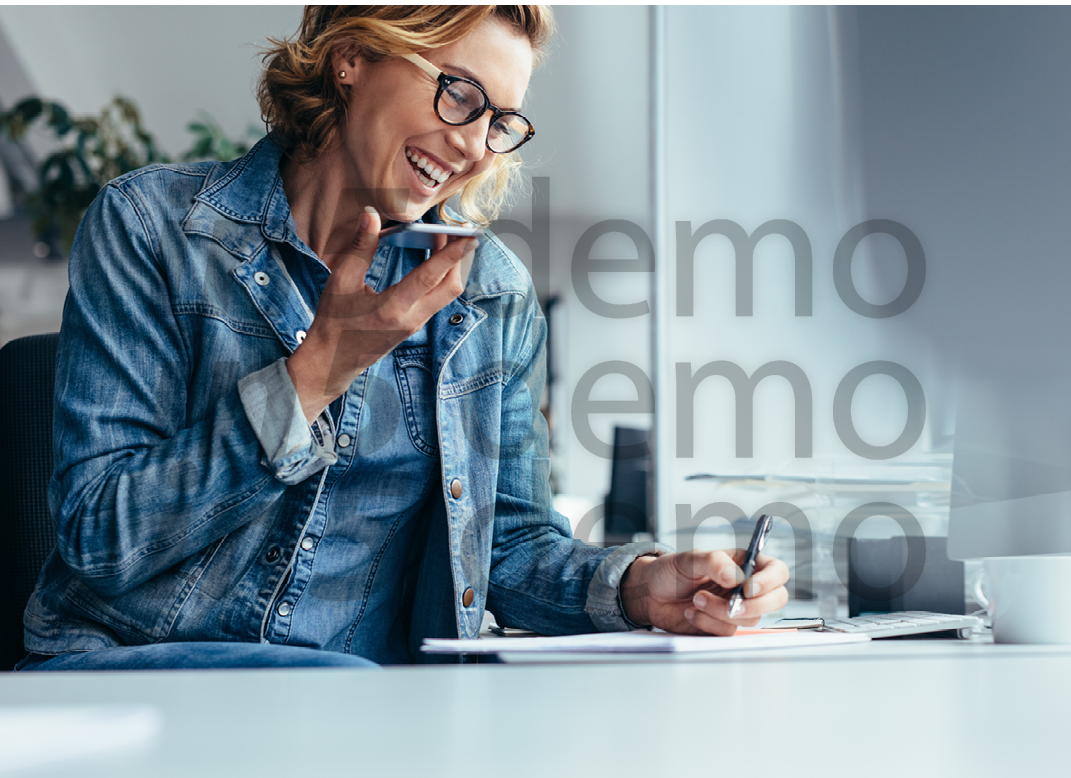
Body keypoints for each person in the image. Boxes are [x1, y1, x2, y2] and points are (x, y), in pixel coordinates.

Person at [17, 5, 788, 672]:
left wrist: (639, 588)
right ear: (351, 57)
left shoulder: (488, 291)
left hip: (354, 709)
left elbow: (509, 551)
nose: (476, 144)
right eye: (459, 93)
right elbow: (101, 538)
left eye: (499, 121)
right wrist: (314, 373)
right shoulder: (154, 227)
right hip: (131, 674)